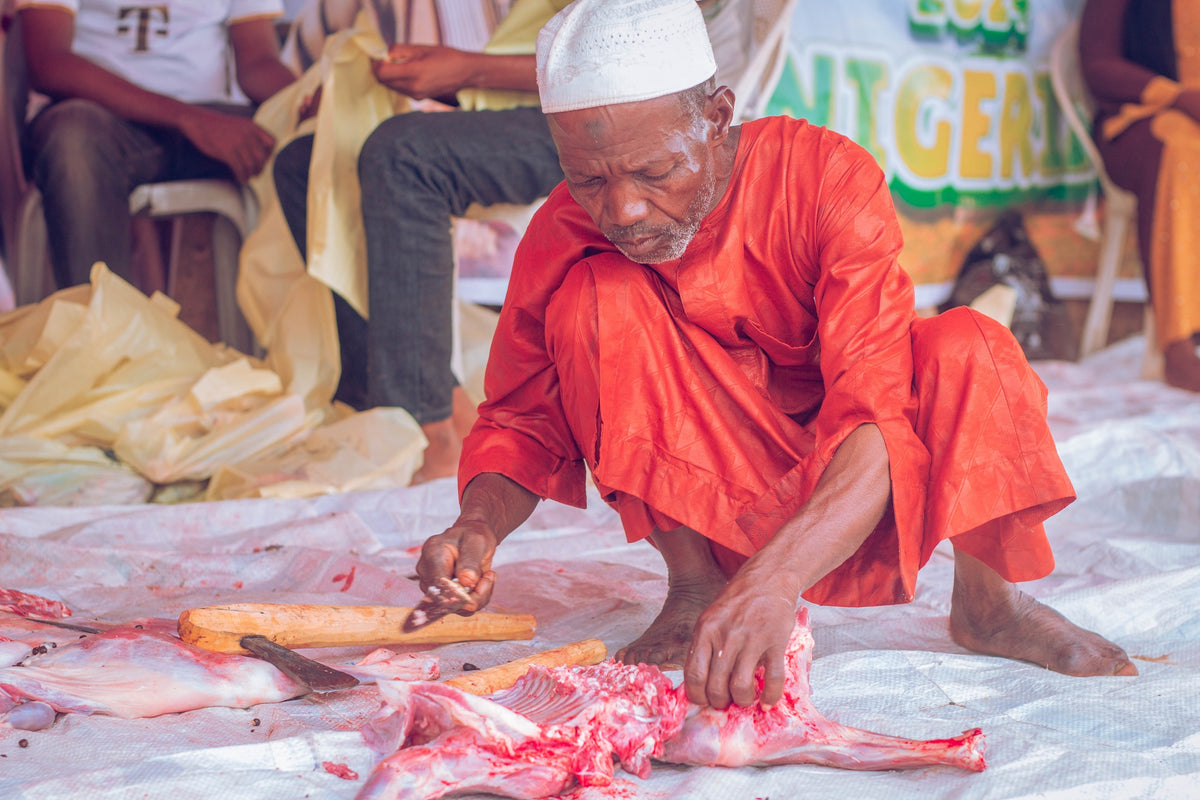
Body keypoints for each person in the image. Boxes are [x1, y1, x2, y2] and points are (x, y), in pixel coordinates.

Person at [412, 0, 1138, 711]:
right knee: (595, 299)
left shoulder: (825, 177)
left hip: (859, 478)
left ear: (718, 117)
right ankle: (695, 584)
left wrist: (775, 581)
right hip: (715, 483)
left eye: (655, 172)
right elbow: (522, 418)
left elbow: (876, 412)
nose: (623, 210)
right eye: (591, 180)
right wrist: (477, 526)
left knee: (972, 344)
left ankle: (991, 604)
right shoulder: (563, 230)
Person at [272, 0, 751, 483]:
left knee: (403, 156)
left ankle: (428, 429)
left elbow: (645, 57)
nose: (625, 211)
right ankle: (394, 404)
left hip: (623, 114)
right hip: (517, 101)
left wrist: (467, 70)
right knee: (307, 164)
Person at [16, 0, 296, 293]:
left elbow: (257, 63)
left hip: (210, 120)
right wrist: (189, 119)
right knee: (74, 145)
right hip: (97, 118)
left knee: (302, 144)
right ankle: (104, 318)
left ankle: (302, 319)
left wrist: (310, 99)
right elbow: (49, 63)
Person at [1080, 0, 1200, 392]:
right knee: (1182, 146)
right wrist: (1177, 96)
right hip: (1143, 123)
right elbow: (1098, 64)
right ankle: (1179, 345)